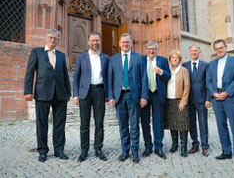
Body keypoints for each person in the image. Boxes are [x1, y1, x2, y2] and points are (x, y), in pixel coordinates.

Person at [24, 29, 71, 162]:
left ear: (58, 41)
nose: (52, 40)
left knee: (59, 124)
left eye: (55, 38)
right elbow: (29, 72)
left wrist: (68, 92)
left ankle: (59, 150)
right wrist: (28, 91)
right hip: (42, 93)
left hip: (60, 94)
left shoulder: (62, 55)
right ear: (46, 39)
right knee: (42, 123)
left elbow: (65, 75)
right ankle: (43, 151)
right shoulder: (37, 52)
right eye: (50, 37)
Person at [107, 33, 148, 163]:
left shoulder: (140, 58)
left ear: (131, 43)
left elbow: (144, 78)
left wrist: (144, 97)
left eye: (127, 42)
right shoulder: (113, 59)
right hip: (119, 97)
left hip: (133, 95)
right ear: (119, 43)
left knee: (135, 125)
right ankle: (125, 151)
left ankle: (135, 151)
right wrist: (110, 97)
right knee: (123, 125)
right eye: (123, 42)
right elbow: (110, 79)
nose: (125, 44)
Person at [206, 39, 234, 166]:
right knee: (221, 126)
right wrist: (214, 93)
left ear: (226, 47)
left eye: (221, 47)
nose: (219, 50)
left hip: (231, 98)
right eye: (217, 48)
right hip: (217, 98)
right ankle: (226, 151)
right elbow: (208, 82)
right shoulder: (211, 64)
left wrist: (226, 93)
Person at [73, 32, 110, 162]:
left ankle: (98, 149)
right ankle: (84, 150)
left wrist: (109, 95)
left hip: (99, 91)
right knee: (84, 124)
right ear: (88, 42)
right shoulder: (81, 58)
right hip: (85, 93)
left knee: (99, 123)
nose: (95, 43)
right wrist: (75, 94)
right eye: (92, 40)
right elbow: (76, 77)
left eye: (97, 40)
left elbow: (108, 78)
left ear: (99, 42)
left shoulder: (106, 58)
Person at [140, 40, 170, 159]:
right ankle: (148, 146)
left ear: (157, 50)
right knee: (145, 121)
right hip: (145, 94)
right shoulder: (141, 60)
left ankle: (158, 147)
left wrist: (161, 72)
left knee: (158, 121)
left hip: (158, 94)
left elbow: (168, 76)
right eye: (149, 49)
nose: (151, 51)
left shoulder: (162, 60)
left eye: (153, 49)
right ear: (146, 49)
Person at [182, 45, 211, 157]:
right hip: (189, 100)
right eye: (192, 51)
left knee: (203, 123)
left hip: (202, 100)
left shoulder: (205, 65)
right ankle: (195, 144)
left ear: (199, 52)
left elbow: (208, 83)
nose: (194, 53)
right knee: (192, 123)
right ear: (189, 52)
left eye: (196, 51)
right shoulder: (185, 66)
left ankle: (205, 146)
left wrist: (208, 99)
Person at [164, 50, 190, 157]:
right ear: (169, 60)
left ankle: (183, 148)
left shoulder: (184, 70)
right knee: (172, 123)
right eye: (173, 58)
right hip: (169, 100)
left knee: (182, 124)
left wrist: (183, 102)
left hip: (180, 100)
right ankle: (174, 145)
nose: (175, 59)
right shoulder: (167, 70)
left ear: (179, 60)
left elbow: (187, 86)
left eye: (177, 58)